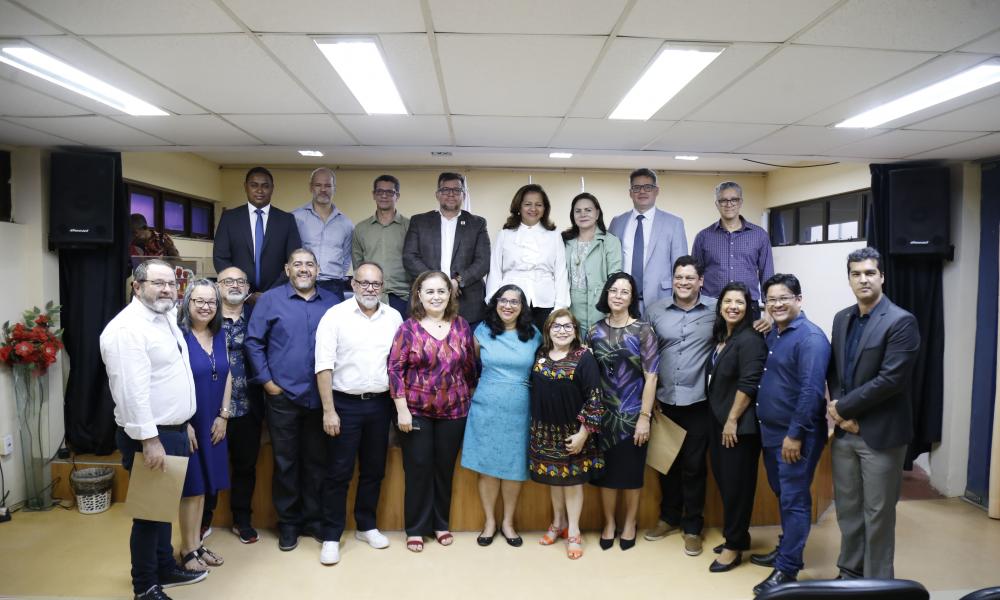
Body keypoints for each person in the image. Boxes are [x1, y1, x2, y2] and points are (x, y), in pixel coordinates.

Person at [100, 259, 206, 600]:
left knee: (162, 509)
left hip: (172, 429)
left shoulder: (165, 319)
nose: (166, 289)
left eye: (171, 284)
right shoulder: (126, 329)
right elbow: (131, 392)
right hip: (150, 436)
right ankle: (145, 586)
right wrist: (150, 440)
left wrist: (184, 421)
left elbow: (169, 377)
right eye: (157, 283)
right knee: (149, 515)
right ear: (137, 286)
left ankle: (164, 567)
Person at [827, 247, 920, 580]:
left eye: (869, 273)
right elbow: (836, 371)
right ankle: (850, 571)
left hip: (881, 435)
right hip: (844, 434)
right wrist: (839, 413)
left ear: (882, 276)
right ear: (849, 278)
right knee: (849, 510)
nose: (863, 279)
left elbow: (891, 380)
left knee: (878, 513)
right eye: (856, 273)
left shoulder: (900, 321)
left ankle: (878, 581)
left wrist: (844, 408)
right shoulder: (842, 318)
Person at [245, 248, 338, 552]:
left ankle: (313, 521)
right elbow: (254, 342)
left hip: (320, 398)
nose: (303, 269)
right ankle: (289, 524)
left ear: (318, 269)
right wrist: (269, 384)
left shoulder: (333, 302)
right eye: (297, 264)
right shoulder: (270, 300)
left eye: (309, 264)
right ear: (287, 269)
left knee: (317, 463)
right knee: (286, 463)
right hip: (282, 397)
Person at [314, 262, 403, 565]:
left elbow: (398, 365)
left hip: (379, 404)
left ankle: (367, 525)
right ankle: (330, 535)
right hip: (344, 405)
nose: (369, 288)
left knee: (374, 469)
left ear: (383, 286)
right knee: (338, 472)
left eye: (375, 284)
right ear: (352, 284)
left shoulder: (393, 317)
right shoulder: (335, 316)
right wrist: (329, 410)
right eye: (363, 283)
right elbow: (323, 365)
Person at [752, 273, 831, 596]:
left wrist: (795, 434)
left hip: (795, 436)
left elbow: (812, 392)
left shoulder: (810, 338)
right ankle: (785, 549)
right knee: (783, 494)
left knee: (795, 499)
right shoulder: (776, 333)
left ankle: (787, 569)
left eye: (784, 298)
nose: (777, 304)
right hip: (771, 433)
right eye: (771, 299)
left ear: (799, 299)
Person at [388, 270, 477, 553]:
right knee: (417, 469)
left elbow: (470, 368)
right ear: (419, 295)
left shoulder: (462, 325)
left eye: (441, 291)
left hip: (455, 411)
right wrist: (402, 409)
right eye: (430, 291)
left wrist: (469, 397)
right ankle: (416, 528)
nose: (436, 296)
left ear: (450, 294)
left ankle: (441, 523)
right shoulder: (408, 328)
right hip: (415, 412)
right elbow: (394, 370)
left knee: (443, 469)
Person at [644, 256, 718, 557]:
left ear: (700, 281)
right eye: (679, 277)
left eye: (690, 277)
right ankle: (669, 518)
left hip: (700, 401)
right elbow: (645, 356)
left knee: (694, 467)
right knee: (667, 464)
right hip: (665, 401)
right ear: (672, 279)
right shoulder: (655, 311)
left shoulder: (717, 309)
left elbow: (742, 330)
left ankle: (692, 527)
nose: (684, 282)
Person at [460, 285, 541, 548]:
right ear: (495, 303)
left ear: (522, 306)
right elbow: (471, 367)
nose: (508, 305)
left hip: (520, 407)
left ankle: (508, 522)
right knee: (488, 467)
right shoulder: (482, 331)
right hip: (486, 405)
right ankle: (489, 522)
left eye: (515, 301)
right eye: (503, 300)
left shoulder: (534, 335)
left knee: (514, 467)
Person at [588, 273, 659, 551]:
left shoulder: (643, 330)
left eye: (625, 292)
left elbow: (651, 376)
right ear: (606, 294)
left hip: (632, 415)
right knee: (606, 474)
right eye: (613, 290)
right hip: (602, 416)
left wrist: (645, 417)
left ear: (632, 298)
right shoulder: (593, 331)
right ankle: (608, 523)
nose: (618, 295)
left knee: (631, 474)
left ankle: (629, 523)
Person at [704, 282, 767, 573]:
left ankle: (733, 548)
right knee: (727, 484)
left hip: (738, 427)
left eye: (739, 302)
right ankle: (738, 536)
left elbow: (749, 383)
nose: (732, 306)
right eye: (727, 301)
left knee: (737, 488)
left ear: (748, 307)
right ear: (720, 305)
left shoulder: (751, 338)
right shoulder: (724, 337)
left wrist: (731, 420)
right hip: (719, 422)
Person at [531, 309, 604, 560]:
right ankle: (557, 523)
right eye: (556, 326)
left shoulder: (584, 358)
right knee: (555, 479)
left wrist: (584, 434)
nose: (562, 331)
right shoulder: (540, 355)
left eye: (567, 326)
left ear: (575, 331)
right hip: (545, 432)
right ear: (548, 330)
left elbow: (595, 398)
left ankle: (573, 531)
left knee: (572, 482)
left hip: (574, 432)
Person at [200, 267, 264, 544]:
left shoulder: (257, 317)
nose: (235, 285)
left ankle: (242, 519)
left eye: (241, 280)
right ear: (218, 286)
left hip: (249, 404)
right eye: (228, 281)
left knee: (245, 466)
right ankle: (203, 519)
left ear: (248, 287)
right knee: (210, 464)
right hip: (211, 406)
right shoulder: (205, 318)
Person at [176, 280, 231, 572]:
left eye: (211, 302)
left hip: (213, 419)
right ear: (187, 302)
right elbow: (171, 382)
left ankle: (196, 544)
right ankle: (186, 550)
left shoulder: (219, 333)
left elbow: (228, 374)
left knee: (207, 487)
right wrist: (183, 422)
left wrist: (224, 415)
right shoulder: (178, 337)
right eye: (199, 301)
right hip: (190, 422)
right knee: (192, 488)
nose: (206, 306)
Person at [402, 172, 490, 326]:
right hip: (427, 300)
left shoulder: (477, 223)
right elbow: (410, 257)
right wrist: (436, 282)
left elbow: (483, 261)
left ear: (463, 194)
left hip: (468, 304)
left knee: (466, 349)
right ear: (437, 194)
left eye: (456, 190)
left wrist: (457, 281)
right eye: (445, 190)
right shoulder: (419, 221)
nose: (451, 194)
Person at [485, 183, 569, 332]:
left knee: (544, 349)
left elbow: (561, 273)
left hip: (545, 302)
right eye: (528, 204)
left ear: (545, 209)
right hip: (510, 304)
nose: (533, 209)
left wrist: (559, 307)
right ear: (519, 207)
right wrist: (493, 301)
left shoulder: (554, 236)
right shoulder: (505, 235)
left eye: (539, 205)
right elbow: (495, 270)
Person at [608, 168, 687, 313]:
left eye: (648, 187)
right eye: (636, 188)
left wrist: (679, 302)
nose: (642, 192)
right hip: (623, 301)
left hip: (661, 299)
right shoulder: (617, 222)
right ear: (630, 193)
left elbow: (680, 266)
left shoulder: (674, 223)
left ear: (656, 191)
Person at [213, 166, 302, 294]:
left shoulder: (286, 220)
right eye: (254, 185)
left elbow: (293, 261)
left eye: (265, 186)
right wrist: (242, 290)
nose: (259, 190)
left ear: (272, 188)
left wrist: (270, 294)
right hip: (237, 296)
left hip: (277, 295)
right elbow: (220, 258)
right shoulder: (229, 218)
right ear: (245, 187)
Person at [691, 182, 774, 318]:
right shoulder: (703, 237)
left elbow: (767, 275)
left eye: (734, 199)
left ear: (741, 202)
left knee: (748, 340)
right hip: (712, 307)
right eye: (723, 200)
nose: (729, 204)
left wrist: (769, 312)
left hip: (748, 307)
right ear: (716, 203)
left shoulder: (759, 235)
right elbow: (695, 275)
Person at [563, 192, 622, 334]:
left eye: (588, 210)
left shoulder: (610, 241)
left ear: (597, 214)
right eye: (578, 211)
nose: (583, 214)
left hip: (599, 308)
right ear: (573, 215)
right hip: (569, 308)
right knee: (572, 352)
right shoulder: (564, 241)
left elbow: (614, 278)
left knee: (598, 350)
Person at [352, 174, 411, 315]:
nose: (384, 196)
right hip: (370, 296)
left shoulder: (410, 227)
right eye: (380, 191)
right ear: (374, 195)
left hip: (402, 297)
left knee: (401, 337)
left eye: (390, 192)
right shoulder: (361, 228)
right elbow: (358, 264)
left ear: (397, 196)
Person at [293, 168, 354, 303]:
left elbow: (346, 257)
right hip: (302, 283)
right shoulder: (295, 218)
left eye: (328, 185)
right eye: (318, 185)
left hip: (334, 286)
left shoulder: (346, 223)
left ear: (334, 189)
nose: (323, 189)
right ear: (311, 188)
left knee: (334, 324)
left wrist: (335, 276)